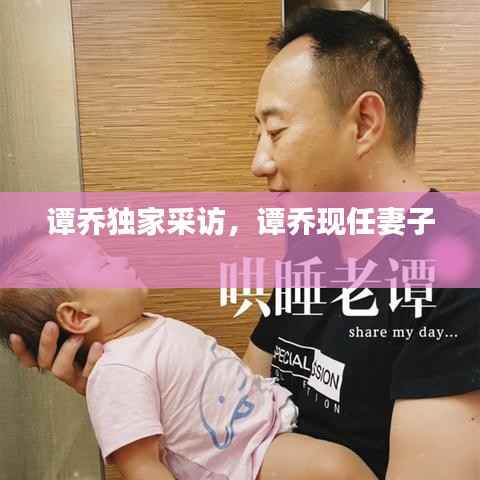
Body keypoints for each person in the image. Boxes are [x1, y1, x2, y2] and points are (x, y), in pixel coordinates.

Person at [9, 7, 480, 480]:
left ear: (363, 123)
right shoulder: (313, 238)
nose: (259, 162)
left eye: (276, 132)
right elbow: (244, 394)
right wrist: (125, 390)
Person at [0, 230, 376, 480]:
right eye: (103, 263)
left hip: (262, 427)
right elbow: (142, 468)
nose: (119, 258)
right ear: (79, 316)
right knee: (337, 468)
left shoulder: (138, 329)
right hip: (247, 460)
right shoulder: (117, 372)